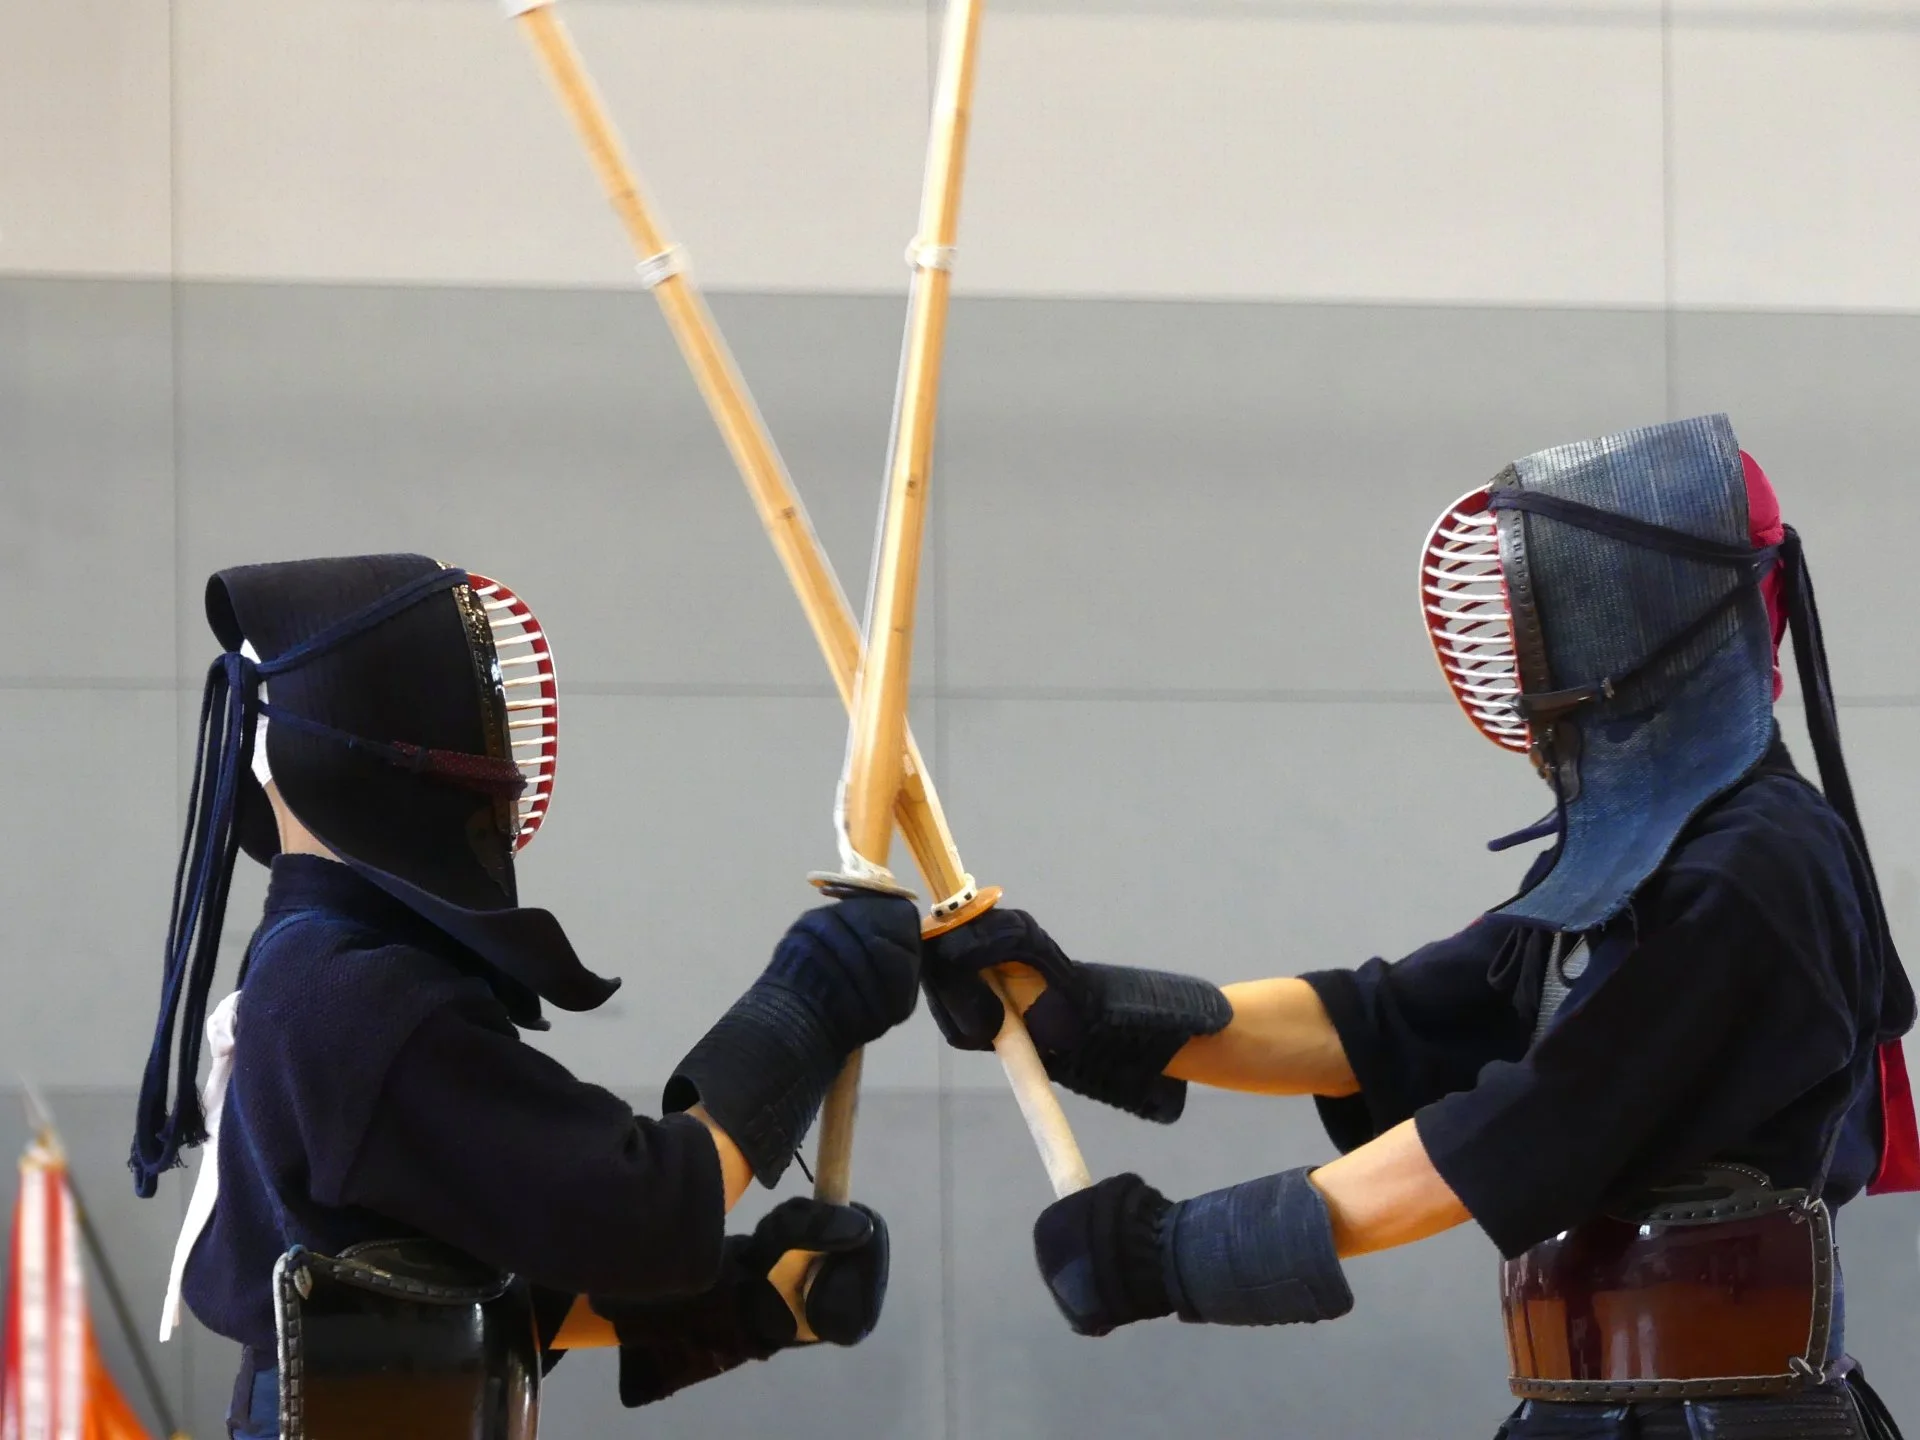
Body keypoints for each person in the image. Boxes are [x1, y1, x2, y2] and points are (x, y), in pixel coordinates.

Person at [923, 416, 1917, 1439]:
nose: (1525, 659)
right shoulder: (1633, 857)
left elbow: (1534, 1124)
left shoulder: (1758, 865)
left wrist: (1182, 1249)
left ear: (1652, 621)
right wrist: (1083, 1010)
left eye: (1552, 617)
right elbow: (1382, 1022)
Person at [131, 554, 919, 1438]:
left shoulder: (315, 973)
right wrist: (812, 997)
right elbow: (641, 1209)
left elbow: (463, 1296)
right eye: (477, 712)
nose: (501, 756)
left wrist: (745, 1302)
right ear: (380, 734)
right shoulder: (348, 998)